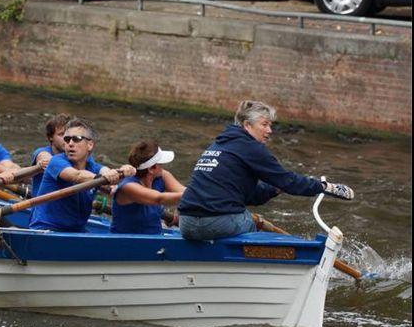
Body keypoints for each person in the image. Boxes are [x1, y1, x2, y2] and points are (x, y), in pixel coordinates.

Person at [178, 100, 354, 240]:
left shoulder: (219, 144)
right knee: (251, 222)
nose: (269, 131)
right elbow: (290, 182)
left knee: (242, 214)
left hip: (185, 223)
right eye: (264, 125)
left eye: (270, 125)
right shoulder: (251, 148)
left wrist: (276, 188)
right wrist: (325, 187)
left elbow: (250, 196)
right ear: (247, 125)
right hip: (214, 223)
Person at [29, 118, 135, 232]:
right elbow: (77, 175)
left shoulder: (93, 166)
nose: (70, 144)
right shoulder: (56, 162)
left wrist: (123, 173)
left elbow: (105, 172)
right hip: (46, 230)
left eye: (76, 139)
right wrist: (101, 179)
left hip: (77, 231)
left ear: (90, 145)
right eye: (67, 139)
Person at [111, 140, 186, 234]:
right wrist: (197, 194)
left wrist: (182, 206)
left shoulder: (162, 176)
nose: (162, 167)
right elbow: (159, 199)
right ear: (151, 169)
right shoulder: (128, 187)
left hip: (154, 242)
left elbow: (184, 192)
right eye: (160, 164)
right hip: (125, 245)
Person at [30, 113, 71, 198]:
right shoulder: (41, 152)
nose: (66, 138)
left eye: (69, 134)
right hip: (42, 208)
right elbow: (48, 160)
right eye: (61, 134)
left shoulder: (76, 156)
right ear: (50, 137)